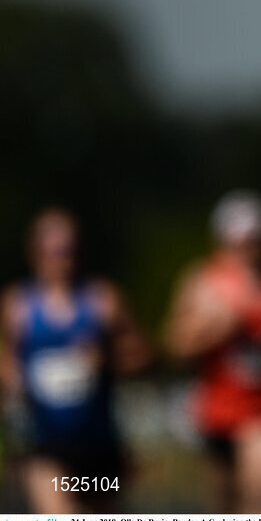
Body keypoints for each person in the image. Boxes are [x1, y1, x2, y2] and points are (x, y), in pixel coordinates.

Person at [0, 208, 151, 513]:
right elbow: (6, 359)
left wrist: (107, 359)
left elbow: (145, 356)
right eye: (51, 251)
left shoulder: (103, 299)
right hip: (45, 443)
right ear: (34, 253)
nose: (59, 259)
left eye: (66, 250)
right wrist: (12, 380)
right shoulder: (17, 305)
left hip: (98, 444)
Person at [164, 190, 261, 513]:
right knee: (224, 503)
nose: (249, 248)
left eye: (256, 239)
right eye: (240, 240)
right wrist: (217, 330)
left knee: (260, 499)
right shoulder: (202, 281)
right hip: (218, 407)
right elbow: (174, 345)